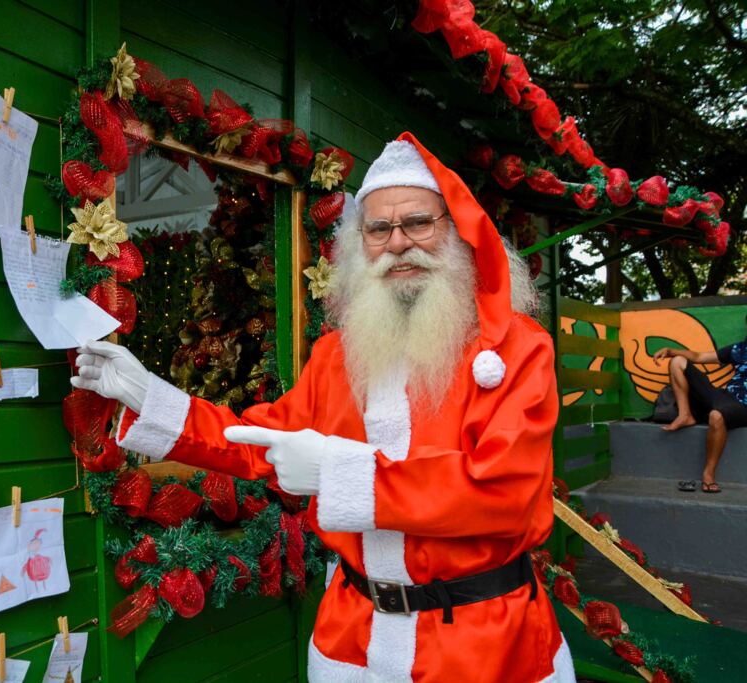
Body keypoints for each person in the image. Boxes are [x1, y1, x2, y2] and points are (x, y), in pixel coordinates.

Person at [72, 132, 575, 682]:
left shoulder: (518, 349)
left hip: (483, 646)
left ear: (456, 230)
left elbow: (503, 490)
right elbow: (257, 440)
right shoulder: (339, 354)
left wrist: (339, 473)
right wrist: (152, 397)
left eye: (418, 223)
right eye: (378, 229)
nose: (398, 242)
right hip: (352, 637)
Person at [653, 327, 747, 493]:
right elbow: (700, 357)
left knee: (716, 415)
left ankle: (708, 475)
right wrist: (670, 351)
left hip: (743, 406)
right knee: (678, 361)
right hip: (723, 396)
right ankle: (685, 415)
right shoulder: (740, 349)